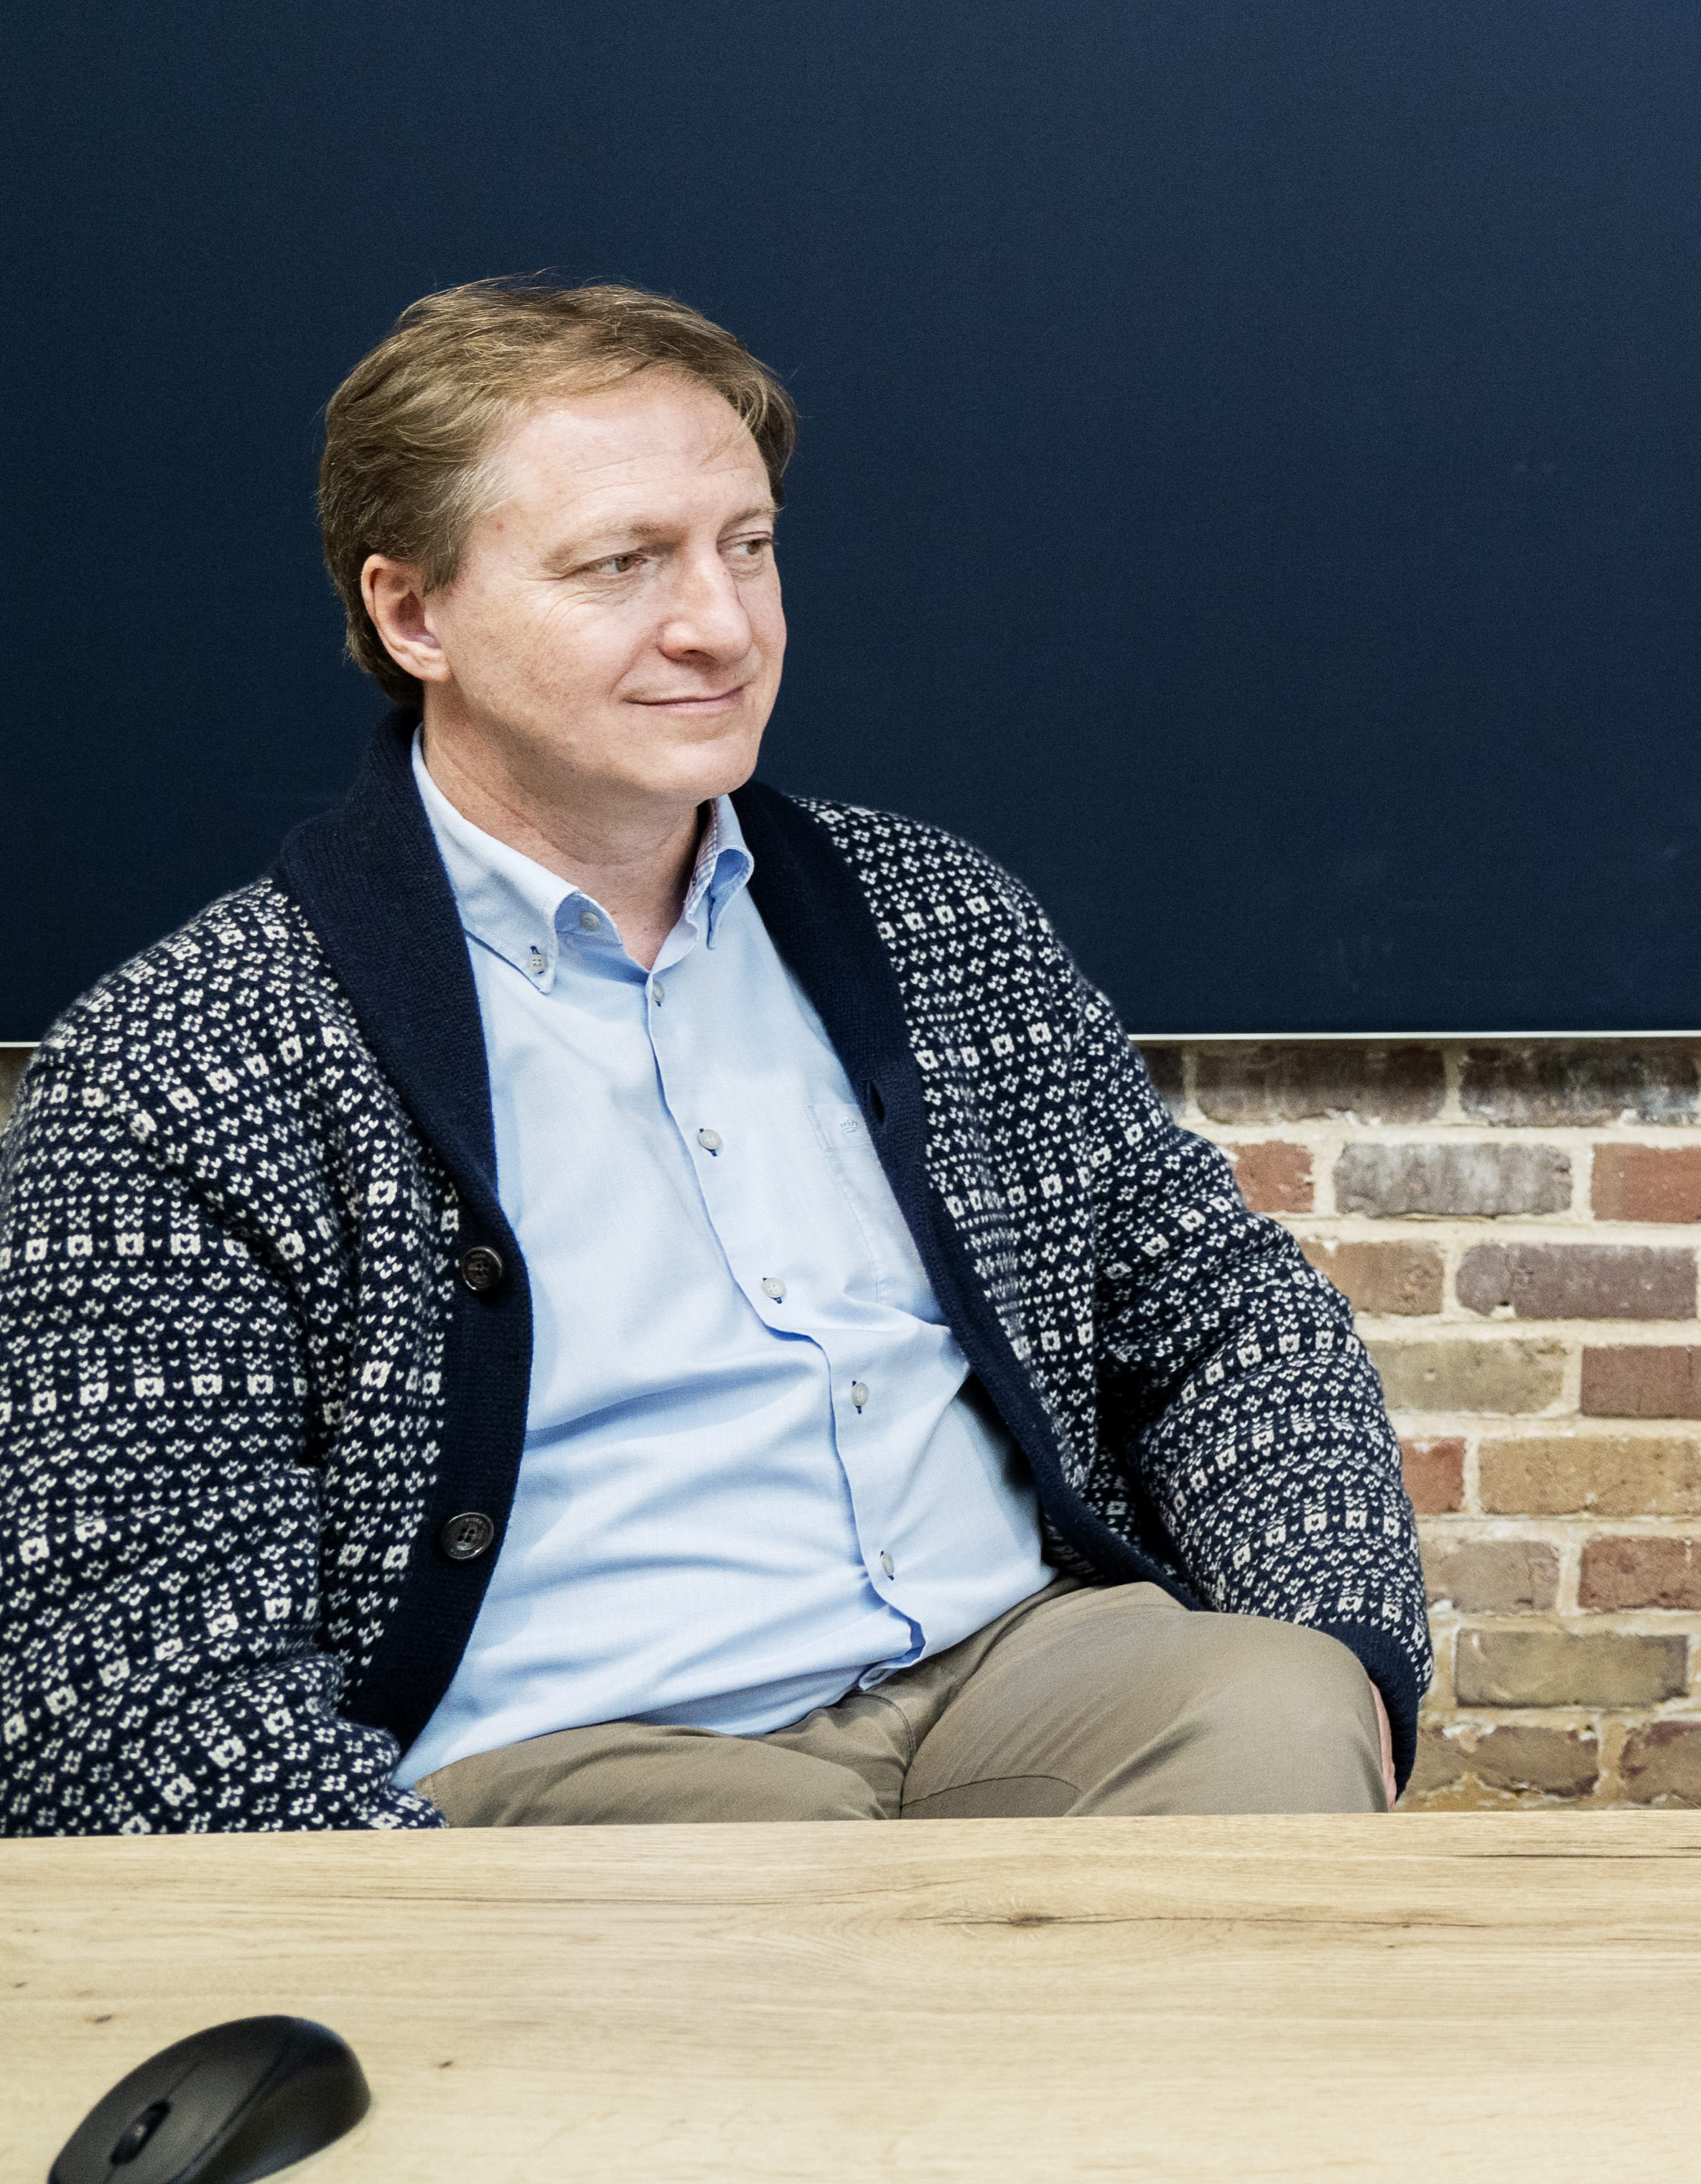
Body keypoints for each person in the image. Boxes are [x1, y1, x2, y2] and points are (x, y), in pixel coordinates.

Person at [0, 281, 1424, 1832]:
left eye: (745, 544)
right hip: (573, 1752)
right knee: (769, 1898)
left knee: (1269, 1710)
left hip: (1008, 1660)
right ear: (416, 614)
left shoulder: (936, 919)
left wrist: (1338, 1631)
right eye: (623, 563)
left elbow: (1221, 1312)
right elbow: (121, 1683)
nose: (723, 624)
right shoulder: (183, 1066)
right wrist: (388, 1894)